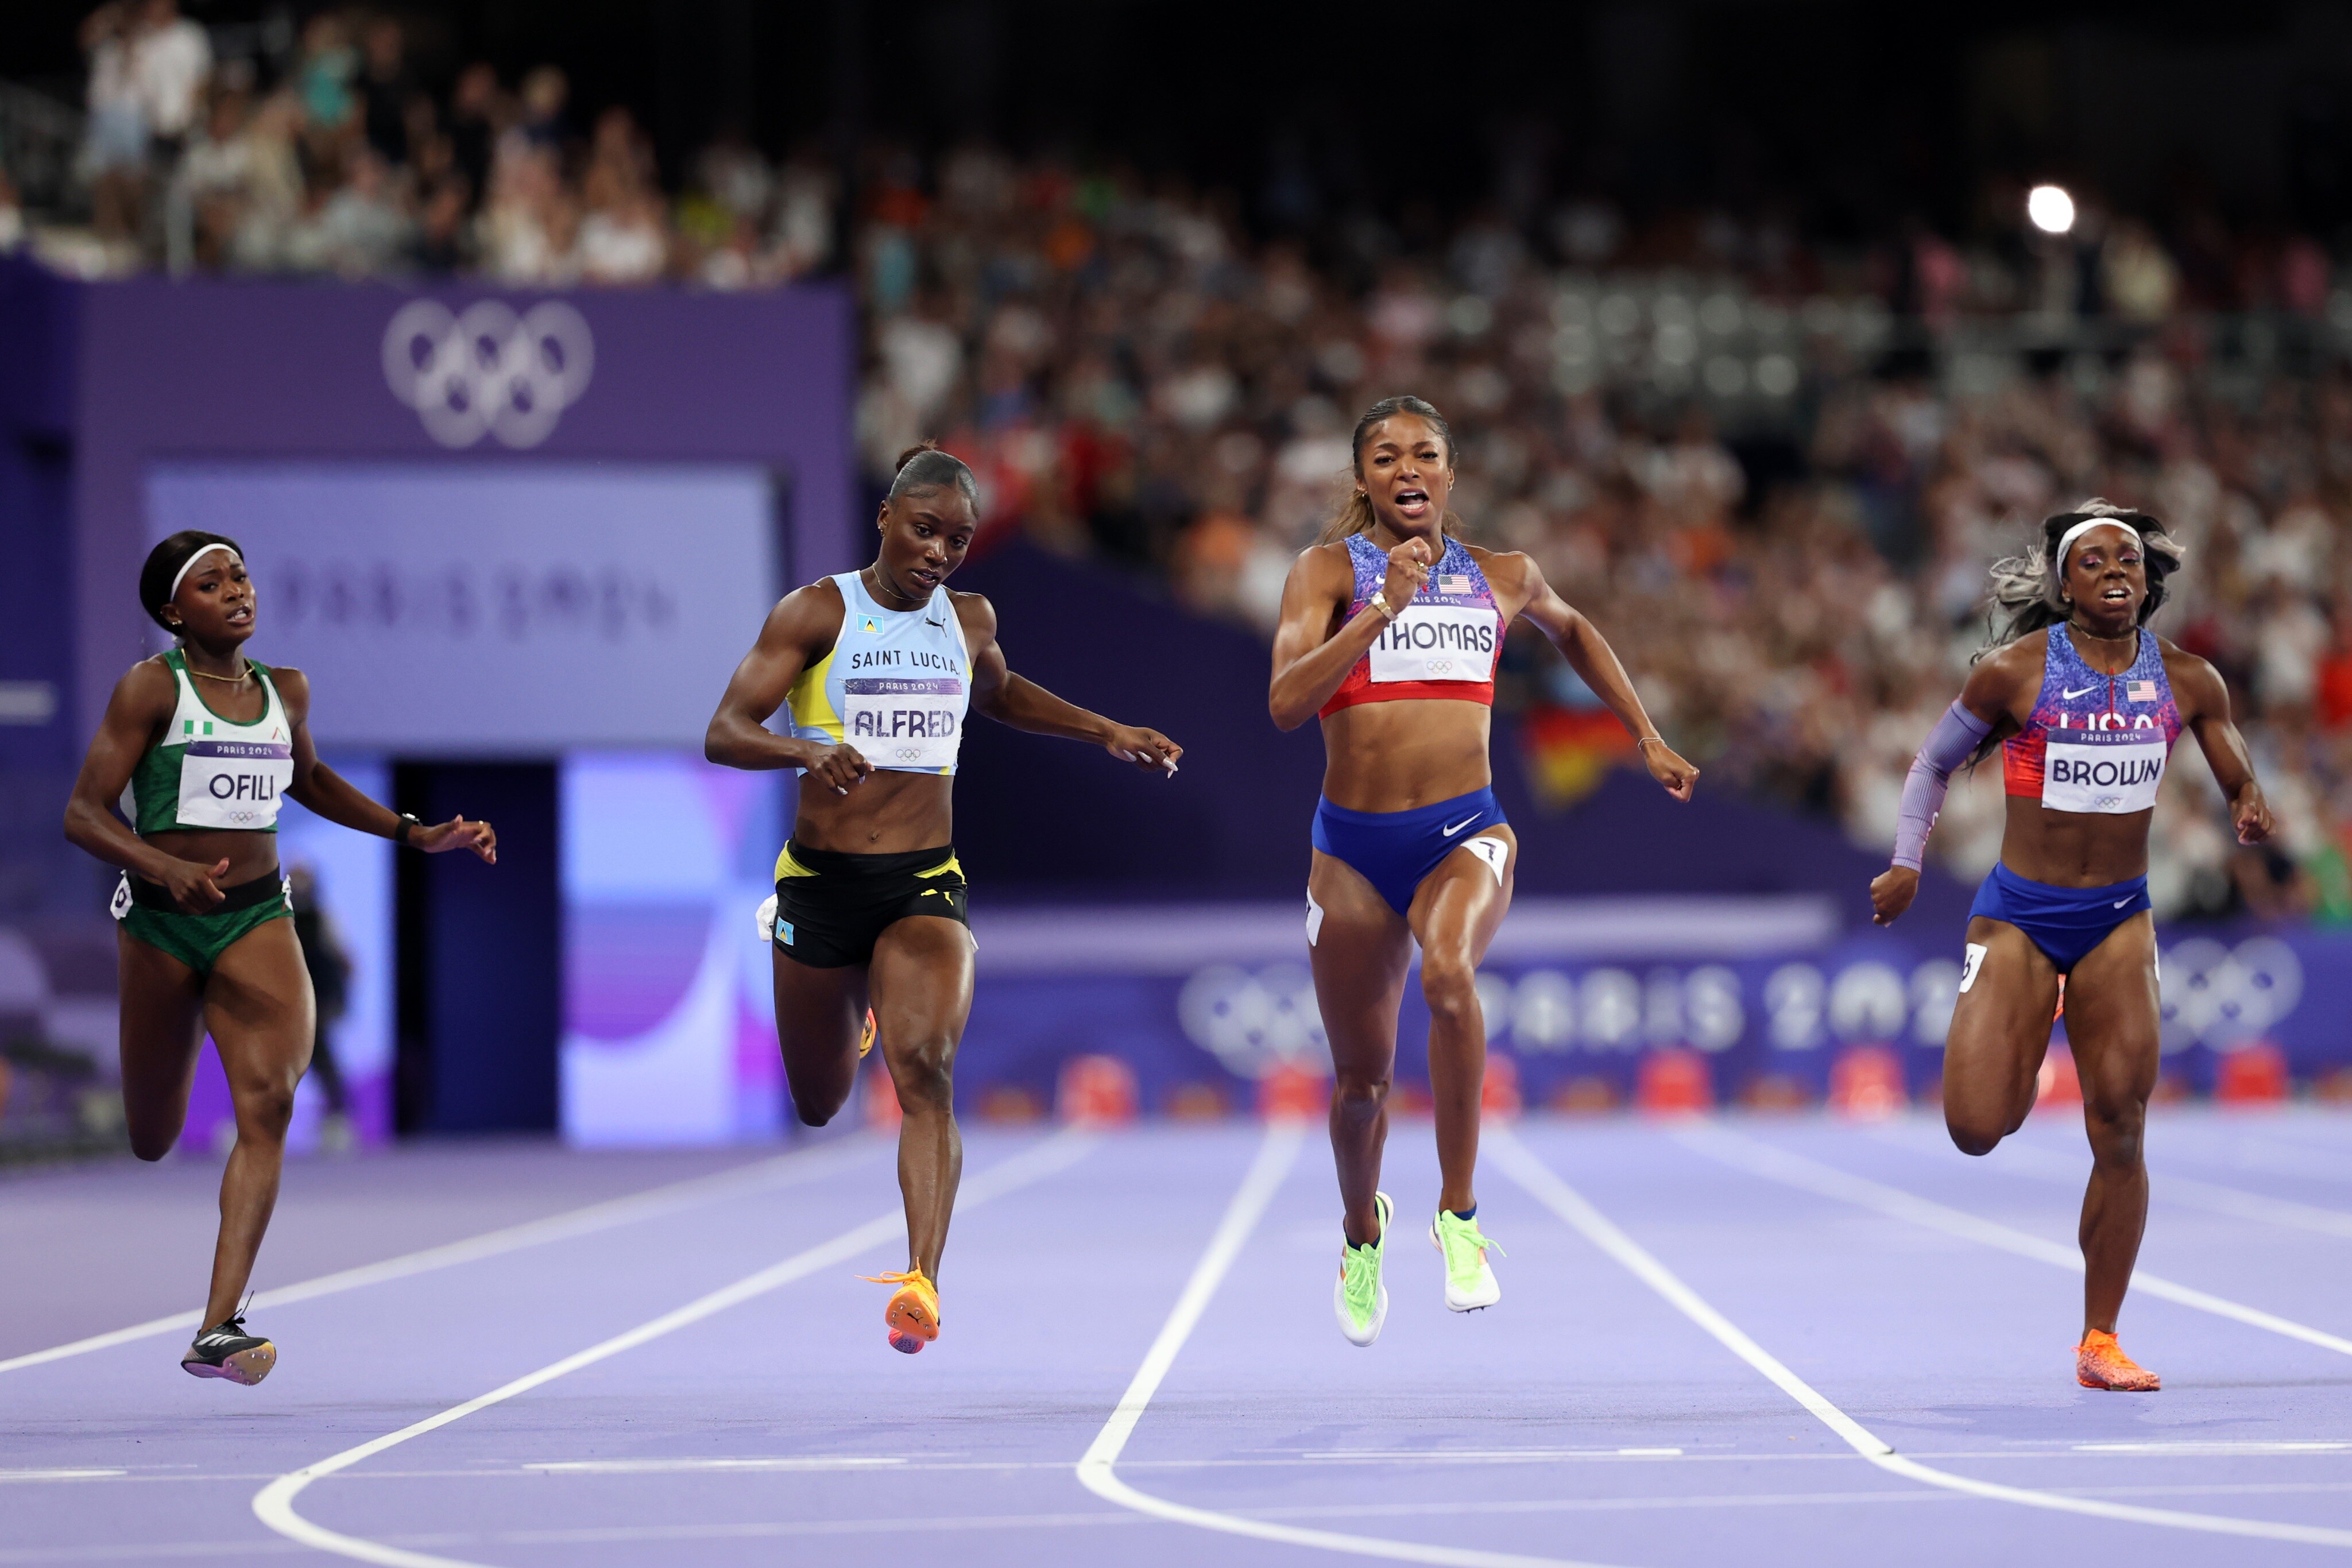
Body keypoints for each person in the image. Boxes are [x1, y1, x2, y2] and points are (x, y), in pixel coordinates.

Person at [705, 444, 1181, 1354]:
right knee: (819, 1102)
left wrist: (1105, 730)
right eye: (924, 531)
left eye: (958, 541)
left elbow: (1000, 696)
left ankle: (921, 1279)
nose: (938, 554)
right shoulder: (817, 612)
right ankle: (857, 1006)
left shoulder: (968, 619)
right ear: (886, 517)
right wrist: (806, 750)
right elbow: (725, 731)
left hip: (923, 884)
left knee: (926, 1070)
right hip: (820, 887)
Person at [1267, 396, 1698, 1346]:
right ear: (1362, 479)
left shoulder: (1503, 575)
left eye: (1425, 453)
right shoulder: (1326, 572)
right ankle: (1361, 1233)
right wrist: (1382, 610)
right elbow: (1288, 703)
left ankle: (1458, 1217)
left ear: (1450, 474)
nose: (1407, 469)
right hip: (1351, 851)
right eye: (1387, 456)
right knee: (1360, 1088)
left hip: (1465, 831)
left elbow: (1575, 630)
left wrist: (1645, 733)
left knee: (1451, 973)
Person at [63, 532, 496, 1384]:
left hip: (256, 917)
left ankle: (218, 1326)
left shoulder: (284, 690)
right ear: (173, 613)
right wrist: (163, 867)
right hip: (161, 924)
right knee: (152, 1136)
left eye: (241, 575)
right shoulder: (151, 688)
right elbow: (84, 813)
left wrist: (414, 833)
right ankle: (173, 1136)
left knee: (270, 1102)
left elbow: (311, 780)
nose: (238, 591)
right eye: (212, 584)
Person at [1870, 501, 2273, 1392]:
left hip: (2118, 921)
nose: (2114, 571)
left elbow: (2227, 750)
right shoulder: (2014, 674)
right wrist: (1906, 863)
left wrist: (2246, 795)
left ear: (2148, 579)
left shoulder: (2189, 678)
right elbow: (1932, 764)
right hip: (2020, 917)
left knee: (2122, 1128)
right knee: (1977, 1128)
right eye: (2092, 561)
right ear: (2063, 586)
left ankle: (2101, 1339)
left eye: (2127, 558)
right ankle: (2023, 1036)